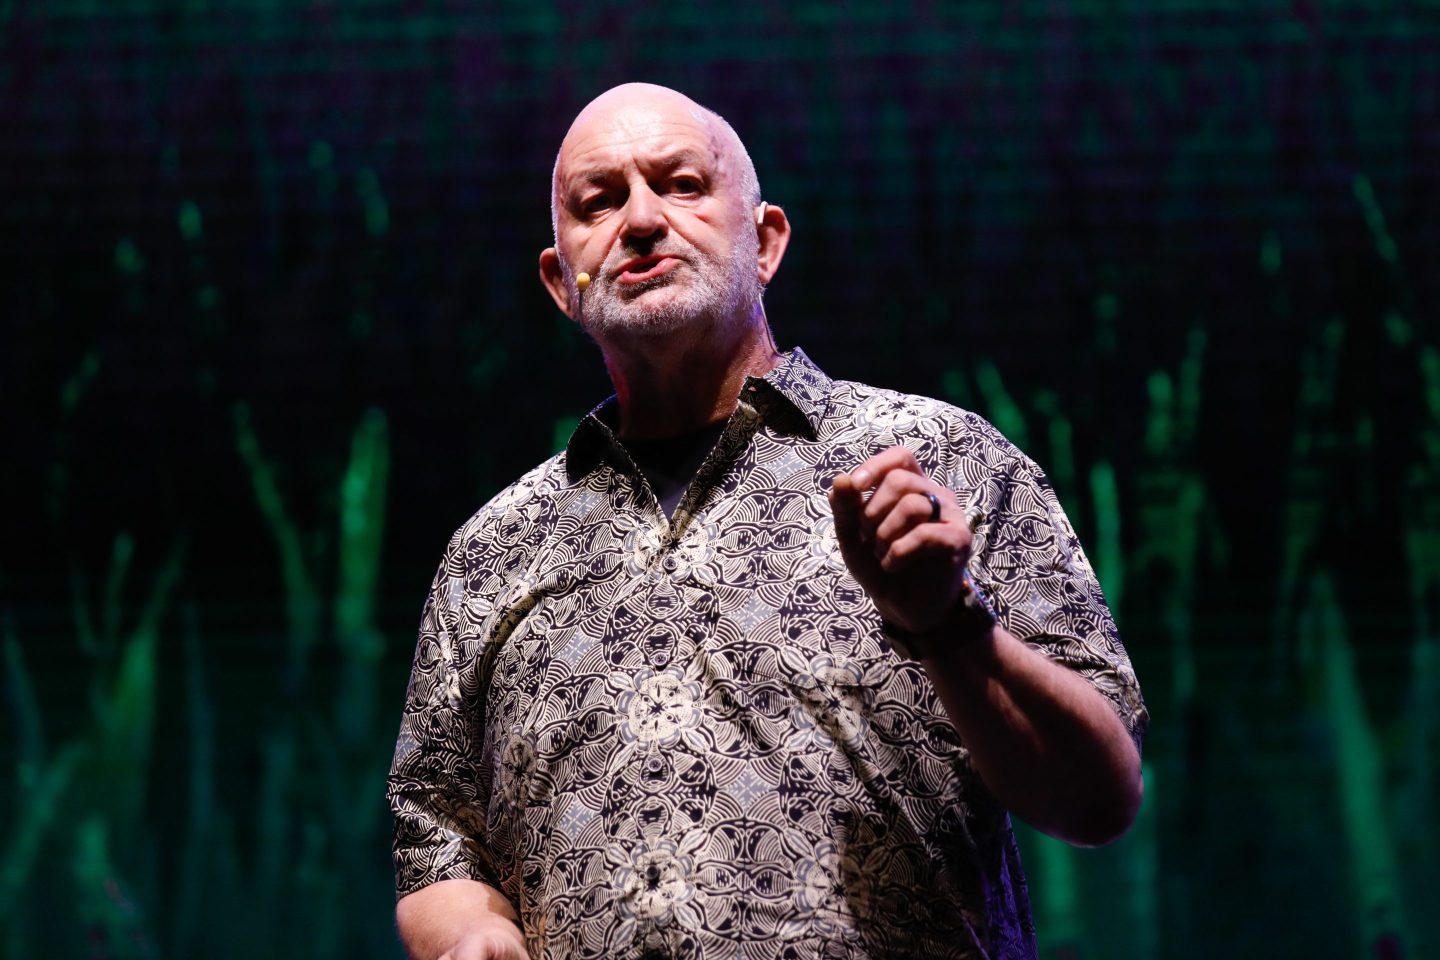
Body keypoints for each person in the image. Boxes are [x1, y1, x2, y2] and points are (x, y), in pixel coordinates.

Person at [387, 82, 1147, 960]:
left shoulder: (938, 457)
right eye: (599, 201)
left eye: (681, 185)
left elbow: (1101, 798)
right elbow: (435, 833)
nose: (640, 220)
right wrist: (474, 933)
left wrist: (949, 623)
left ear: (766, 244)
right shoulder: (493, 549)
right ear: (564, 282)